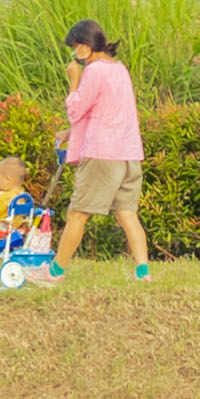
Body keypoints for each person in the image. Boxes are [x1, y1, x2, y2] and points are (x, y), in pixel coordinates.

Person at [54, 19, 151, 282]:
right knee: (127, 213)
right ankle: (143, 272)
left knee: (77, 213)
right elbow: (108, 113)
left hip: (102, 154)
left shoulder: (94, 72)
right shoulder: (119, 69)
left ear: (86, 46)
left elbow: (76, 108)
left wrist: (73, 81)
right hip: (128, 153)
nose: (75, 54)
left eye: (75, 48)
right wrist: (70, 133)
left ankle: (55, 271)